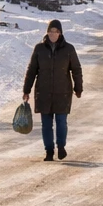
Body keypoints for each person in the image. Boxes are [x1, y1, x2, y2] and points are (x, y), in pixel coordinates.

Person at [22, 19, 83, 162]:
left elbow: (76, 70)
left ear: (60, 33)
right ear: (47, 32)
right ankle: (49, 151)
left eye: (55, 31)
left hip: (63, 92)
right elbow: (31, 71)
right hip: (43, 92)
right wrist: (27, 90)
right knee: (46, 124)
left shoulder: (69, 49)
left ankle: (61, 146)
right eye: (50, 31)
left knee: (61, 121)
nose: (52, 34)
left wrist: (78, 87)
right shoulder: (39, 49)